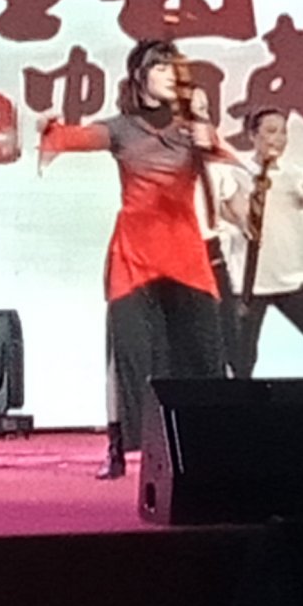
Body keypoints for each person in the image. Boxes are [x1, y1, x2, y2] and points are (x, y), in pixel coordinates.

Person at [38, 39, 231, 480]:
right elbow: (74, 138)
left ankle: (210, 446)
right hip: (135, 255)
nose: (170, 75)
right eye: (160, 67)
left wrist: (207, 134)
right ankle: (117, 446)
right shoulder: (122, 129)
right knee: (128, 351)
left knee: (205, 354)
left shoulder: (191, 129)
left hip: (185, 253)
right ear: (140, 77)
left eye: (174, 68)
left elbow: (227, 161)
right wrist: (49, 131)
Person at [215, 107, 303, 378]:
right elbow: (220, 208)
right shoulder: (236, 173)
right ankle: (238, 405)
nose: (278, 139)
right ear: (252, 135)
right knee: (242, 360)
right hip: (248, 284)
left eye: (283, 132)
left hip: (288, 280)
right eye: (271, 131)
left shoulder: (293, 175)